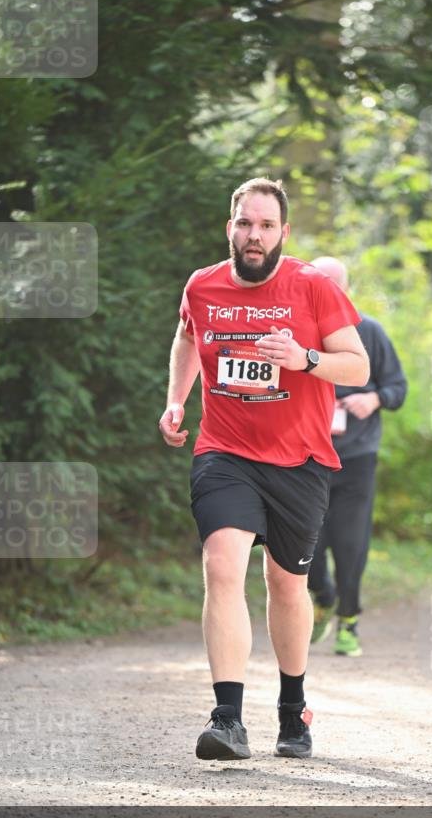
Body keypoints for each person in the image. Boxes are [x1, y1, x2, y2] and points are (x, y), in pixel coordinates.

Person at [158, 178, 369, 762]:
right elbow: (186, 335)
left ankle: (292, 708)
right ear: (230, 227)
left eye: (267, 226)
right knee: (223, 565)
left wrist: (303, 358)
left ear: (283, 232)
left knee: (286, 585)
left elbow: (356, 365)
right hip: (223, 452)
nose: (255, 236)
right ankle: (227, 719)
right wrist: (177, 399)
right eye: (246, 224)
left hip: (300, 461)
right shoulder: (202, 286)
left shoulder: (313, 287)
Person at [307, 257, 407, 658]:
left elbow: (398, 387)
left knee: (350, 543)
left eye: (336, 286)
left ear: (347, 290)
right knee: (305, 541)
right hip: (305, 458)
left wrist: (375, 397)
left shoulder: (369, 331)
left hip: (356, 459)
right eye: (320, 285)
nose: (328, 293)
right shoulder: (295, 331)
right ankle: (324, 596)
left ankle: (348, 619)